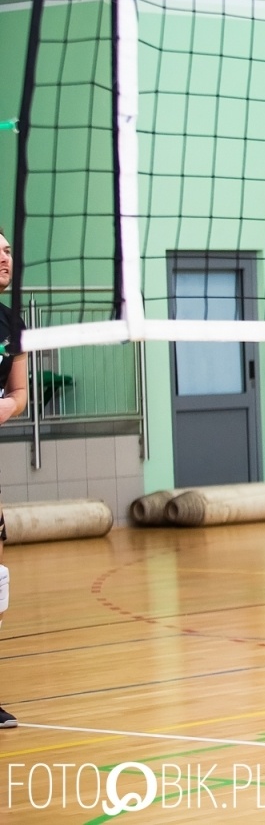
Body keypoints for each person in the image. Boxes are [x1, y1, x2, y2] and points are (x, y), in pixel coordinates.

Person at [0, 232, 23, 730]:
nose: (6, 257)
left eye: (8, 250)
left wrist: (4, 407)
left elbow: (19, 393)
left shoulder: (11, 323)